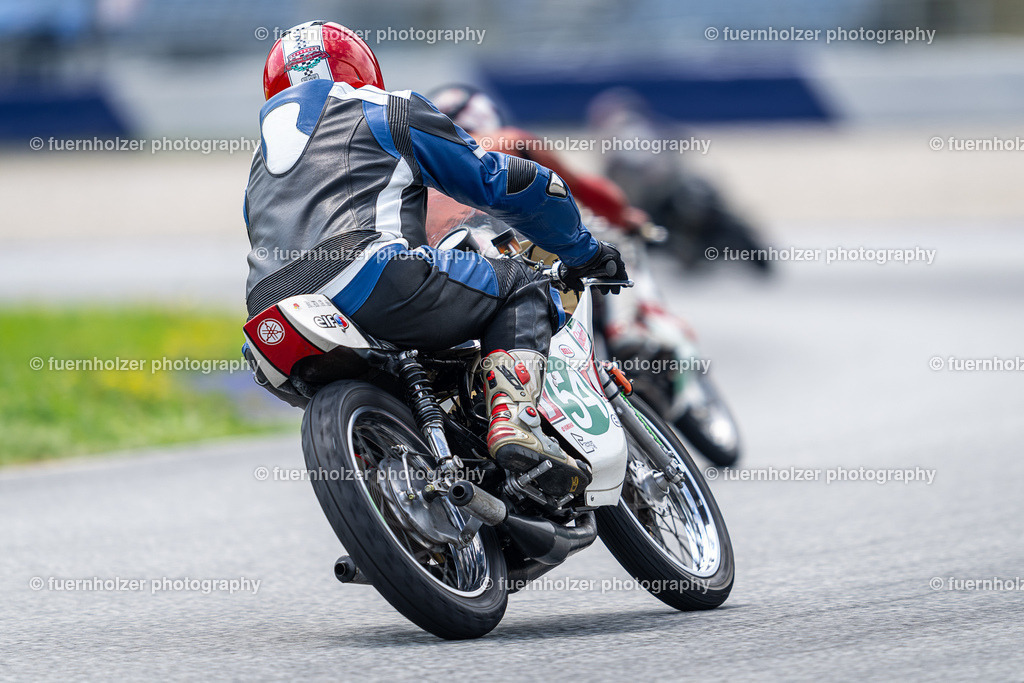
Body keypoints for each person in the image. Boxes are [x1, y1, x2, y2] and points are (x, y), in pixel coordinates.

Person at [244, 21, 626, 498]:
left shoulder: (258, 166)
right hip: (372, 276)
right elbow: (499, 182)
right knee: (523, 283)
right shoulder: (386, 108)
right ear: (362, 69)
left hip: (270, 319)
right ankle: (515, 423)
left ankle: (395, 477)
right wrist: (583, 250)